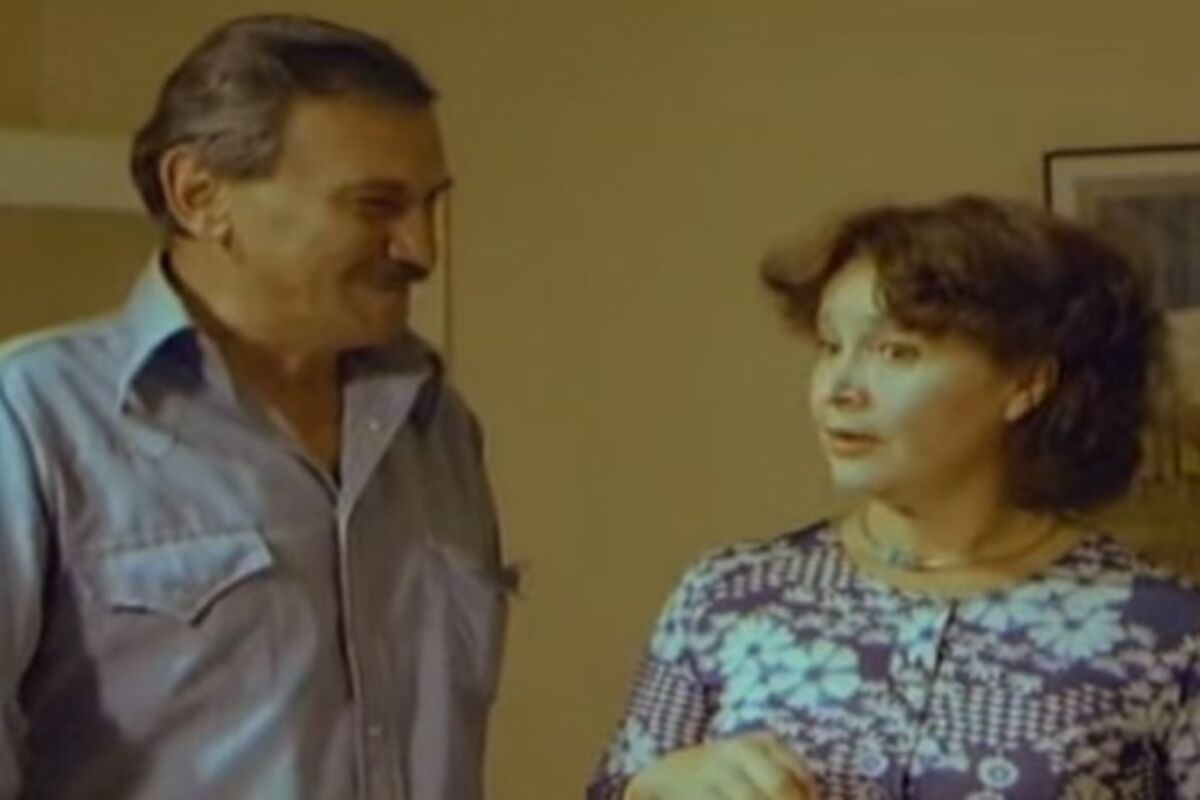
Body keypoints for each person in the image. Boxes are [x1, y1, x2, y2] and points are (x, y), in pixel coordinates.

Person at [0, 14, 511, 800]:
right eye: (375, 205)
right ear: (199, 195)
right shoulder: (32, 420)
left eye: (428, 205)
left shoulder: (437, 430)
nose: (421, 249)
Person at [587, 195, 1200, 799]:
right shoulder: (728, 596)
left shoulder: (1165, 629)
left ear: (1026, 383)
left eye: (896, 352)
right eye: (830, 347)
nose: (839, 388)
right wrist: (653, 789)